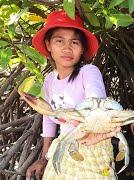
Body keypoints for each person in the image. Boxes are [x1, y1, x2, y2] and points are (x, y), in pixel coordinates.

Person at [25, 10, 120, 180]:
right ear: (48, 45)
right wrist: (44, 158)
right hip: (62, 146)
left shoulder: (89, 72)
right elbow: (48, 119)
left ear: (82, 48)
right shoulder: (49, 80)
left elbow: (96, 104)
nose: (67, 48)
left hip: (92, 146)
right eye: (59, 41)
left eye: (74, 42)